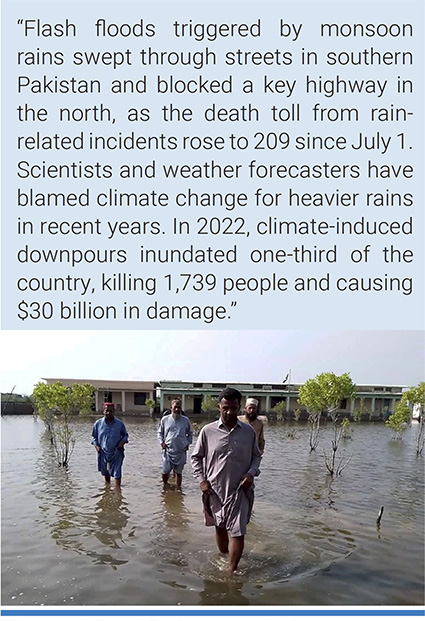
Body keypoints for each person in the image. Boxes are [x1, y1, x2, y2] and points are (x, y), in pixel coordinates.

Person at [191, 387, 262, 575]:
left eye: (234, 408)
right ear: (219, 407)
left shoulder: (248, 432)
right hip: (214, 490)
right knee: (220, 528)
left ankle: (231, 572)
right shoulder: (207, 431)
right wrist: (201, 480)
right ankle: (224, 556)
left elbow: (256, 456)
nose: (230, 412)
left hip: (240, 490)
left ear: (239, 407)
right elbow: (195, 457)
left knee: (238, 531)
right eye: (225, 408)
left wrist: (251, 473)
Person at [158, 398, 193, 488]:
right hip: (167, 450)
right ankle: (165, 487)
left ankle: (178, 491)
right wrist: (161, 442)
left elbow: (190, 433)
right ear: (171, 408)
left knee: (178, 472)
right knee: (165, 471)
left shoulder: (185, 420)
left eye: (179, 407)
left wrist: (187, 443)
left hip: (180, 451)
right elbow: (160, 433)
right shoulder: (165, 420)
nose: (177, 409)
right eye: (175, 407)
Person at [92, 403, 128, 487]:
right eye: (106, 411)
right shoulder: (98, 424)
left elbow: (125, 435)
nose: (108, 413)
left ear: (114, 411)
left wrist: (122, 442)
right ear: (103, 411)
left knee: (117, 472)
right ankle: (107, 490)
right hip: (103, 452)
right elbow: (94, 437)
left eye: (110, 411)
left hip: (117, 452)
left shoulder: (120, 424)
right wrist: (96, 446)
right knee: (105, 472)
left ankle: (118, 492)